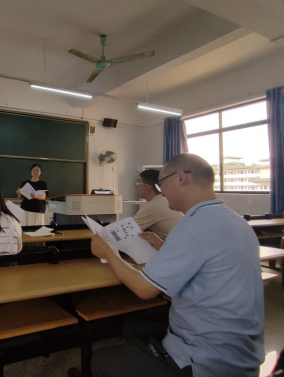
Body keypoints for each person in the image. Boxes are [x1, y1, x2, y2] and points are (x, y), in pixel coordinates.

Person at [88, 153, 264, 377]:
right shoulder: (236, 221)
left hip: (207, 356)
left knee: (101, 361)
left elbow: (144, 289)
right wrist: (163, 245)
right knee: (135, 327)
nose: (161, 192)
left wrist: (109, 254)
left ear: (181, 178)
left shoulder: (192, 227)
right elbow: (207, 259)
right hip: (243, 350)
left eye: (162, 184)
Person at [133, 169, 183, 241]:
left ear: (147, 188)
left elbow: (128, 230)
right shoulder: (166, 200)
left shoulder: (152, 207)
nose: (136, 186)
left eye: (138, 183)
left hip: (174, 246)